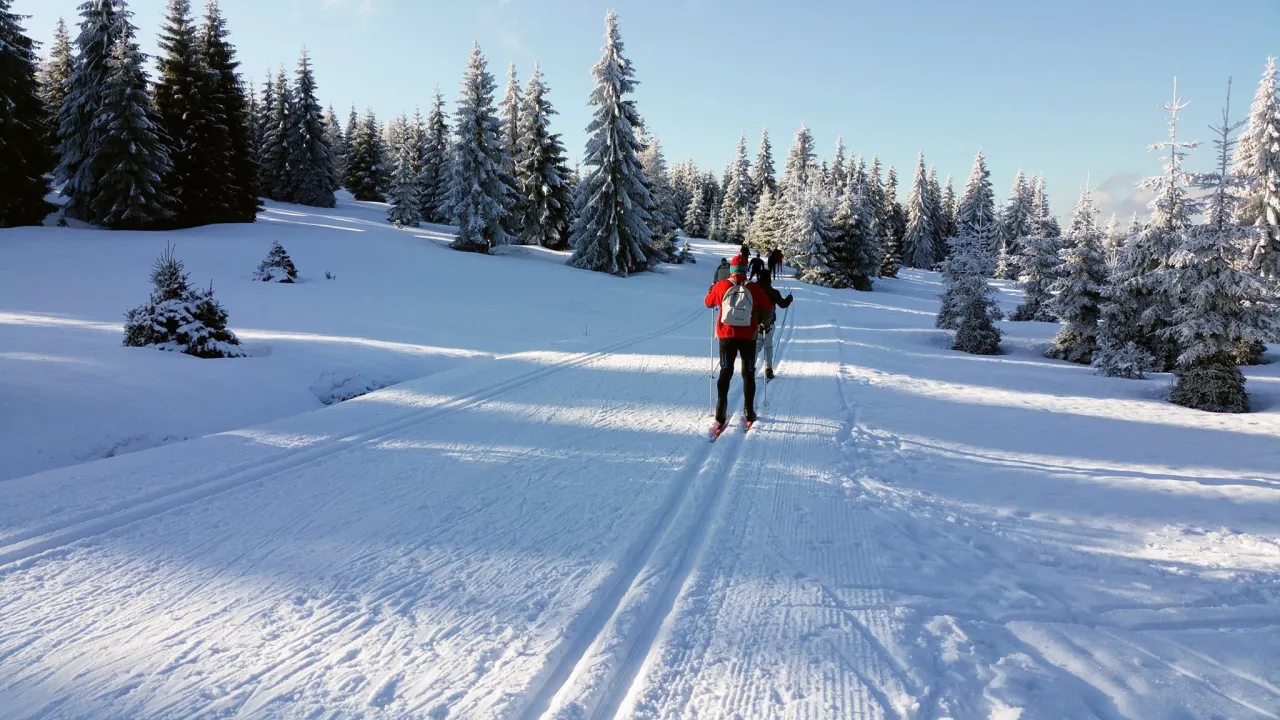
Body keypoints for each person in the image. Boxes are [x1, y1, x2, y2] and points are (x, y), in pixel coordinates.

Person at [704, 255, 774, 428]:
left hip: (726, 335)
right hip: (748, 337)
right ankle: (749, 411)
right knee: (748, 373)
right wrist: (764, 322)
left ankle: (720, 412)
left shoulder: (721, 285)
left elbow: (708, 303)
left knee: (725, 371)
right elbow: (768, 307)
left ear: (732, 270)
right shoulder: (754, 288)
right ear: (746, 271)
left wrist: (711, 291)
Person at [754, 268, 793, 380]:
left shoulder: (754, 290)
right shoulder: (773, 292)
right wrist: (789, 299)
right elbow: (783, 304)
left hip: (755, 323)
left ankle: (751, 367)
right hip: (769, 323)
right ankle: (769, 369)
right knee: (768, 346)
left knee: (756, 345)